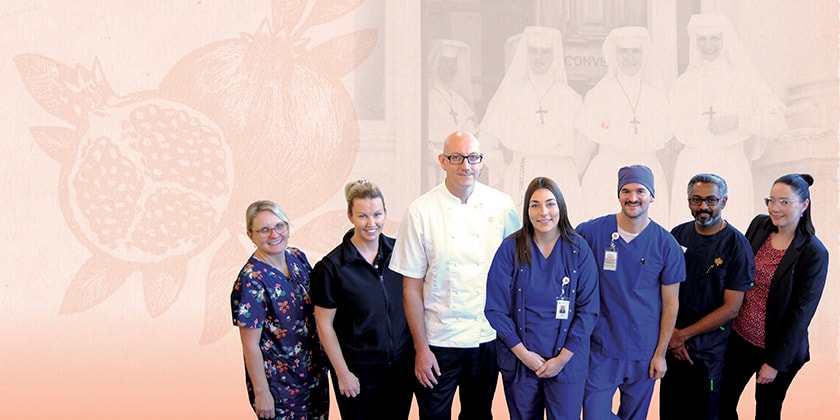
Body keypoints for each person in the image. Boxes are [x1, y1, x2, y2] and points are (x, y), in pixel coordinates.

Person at [390, 131, 520, 420]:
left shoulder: (501, 205)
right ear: (442, 161)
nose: (466, 166)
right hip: (438, 341)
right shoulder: (420, 211)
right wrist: (421, 350)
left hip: (485, 336)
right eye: (456, 158)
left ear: (481, 162)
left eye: (473, 158)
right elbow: (410, 287)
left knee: (478, 414)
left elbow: (515, 271)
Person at [576, 165, 685, 420]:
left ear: (652, 196)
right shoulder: (591, 232)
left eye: (640, 191)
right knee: (594, 414)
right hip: (601, 347)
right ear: (618, 194)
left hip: (643, 350)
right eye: (626, 190)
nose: (632, 197)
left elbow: (671, 305)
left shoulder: (666, 245)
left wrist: (660, 354)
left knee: (635, 415)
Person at [485, 177, 599, 420]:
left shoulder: (579, 250)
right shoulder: (510, 249)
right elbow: (495, 309)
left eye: (550, 204)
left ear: (560, 207)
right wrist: (524, 354)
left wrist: (561, 359)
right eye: (535, 205)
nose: (543, 212)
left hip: (567, 363)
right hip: (521, 362)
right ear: (526, 210)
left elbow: (589, 310)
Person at [719, 173, 829, 420]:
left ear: (804, 205)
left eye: (784, 202)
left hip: (777, 348)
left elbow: (801, 314)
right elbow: (739, 272)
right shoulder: (760, 226)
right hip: (741, 337)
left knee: (767, 411)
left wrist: (775, 362)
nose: (775, 208)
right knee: (721, 401)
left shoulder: (813, 252)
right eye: (771, 200)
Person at [668, 12, 787, 229]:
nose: (708, 45)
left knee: (732, 230)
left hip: (729, 164)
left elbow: (777, 122)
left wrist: (738, 121)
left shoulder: (744, 79)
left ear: (725, 40)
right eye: (702, 39)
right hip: (692, 164)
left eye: (714, 38)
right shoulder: (683, 84)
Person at [310, 180, 414, 420]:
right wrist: (342, 373)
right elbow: (324, 325)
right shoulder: (331, 267)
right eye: (362, 216)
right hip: (358, 373)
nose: (371, 223)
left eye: (377, 214)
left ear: (385, 213)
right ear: (350, 216)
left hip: (400, 370)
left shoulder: (400, 253)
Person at [660, 174, 755, 420]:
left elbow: (732, 308)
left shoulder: (737, 246)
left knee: (705, 413)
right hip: (672, 346)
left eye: (711, 200)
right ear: (689, 201)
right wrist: (673, 337)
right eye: (696, 200)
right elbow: (662, 288)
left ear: (724, 202)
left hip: (707, 353)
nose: (703, 207)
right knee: (671, 411)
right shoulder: (676, 235)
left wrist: (683, 335)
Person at [230, 200, 329, 420]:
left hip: (314, 377)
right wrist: (262, 392)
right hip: (279, 387)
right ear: (250, 235)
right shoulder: (251, 280)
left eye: (279, 226)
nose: (274, 235)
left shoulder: (297, 258)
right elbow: (250, 345)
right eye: (264, 230)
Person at [480, 26, 585, 223]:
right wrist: (508, 171)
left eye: (545, 52)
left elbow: (583, 145)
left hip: (561, 175)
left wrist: (568, 171)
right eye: (533, 51)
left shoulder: (571, 98)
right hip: (523, 172)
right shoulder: (509, 95)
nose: (539, 58)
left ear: (555, 55)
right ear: (524, 54)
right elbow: (486, 141)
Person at [577, 26, 672, 226]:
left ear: (643, 54)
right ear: (615, 55)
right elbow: (584, 144)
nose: (630, 57)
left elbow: (664, 145)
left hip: (647, 171)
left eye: (635, 51)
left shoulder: (657, 97)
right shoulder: (599, 94)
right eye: (624, 52)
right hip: (607, 171)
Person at [426, 39, 479, 191]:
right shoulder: (428, 99)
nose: (449, 68)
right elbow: (426, 146)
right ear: (436, 64)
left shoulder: (458, 99)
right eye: (445, 62)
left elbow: (471, 134)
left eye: (453, 63)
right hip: (436, 171)